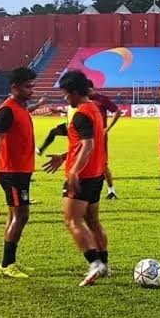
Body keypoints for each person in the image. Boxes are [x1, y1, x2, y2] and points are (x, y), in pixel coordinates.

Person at [41, 70, 110, 287]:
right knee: (92, 221)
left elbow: (87, 146)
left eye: (65, 94)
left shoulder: (81, 113)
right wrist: (64, 156)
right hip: (96, 174)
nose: (64, 98)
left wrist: (73, 171)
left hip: (82, 176)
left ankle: (94, 263)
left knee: (72, 221)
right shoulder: (94, 110)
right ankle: (105, 265)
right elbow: (83, 143)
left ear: (74, 92)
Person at [0, 67, 38, 279]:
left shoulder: (21, 107)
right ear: (15, 87)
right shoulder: (6, 110)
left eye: (32, 86)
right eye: (27, 87)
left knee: (14, 215)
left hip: (22, 171)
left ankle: (9, 262)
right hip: (12, 172)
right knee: (21, 215)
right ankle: (7, 264)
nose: (31, 90)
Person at [87, 80, 122, 200]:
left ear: (91, 88)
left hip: (100, 137)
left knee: (102, 163)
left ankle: (111, 191)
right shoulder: (84, 101)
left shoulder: (101, 99)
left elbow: (117, 111)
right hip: (86, 136)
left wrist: (108, 128)